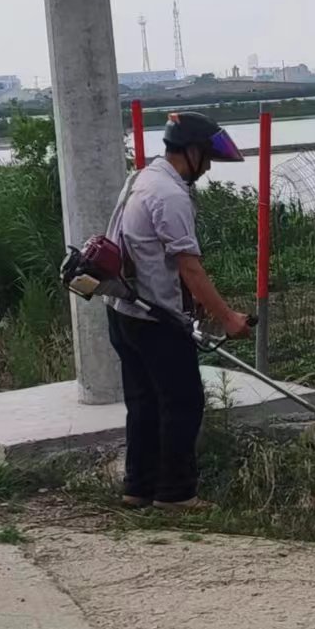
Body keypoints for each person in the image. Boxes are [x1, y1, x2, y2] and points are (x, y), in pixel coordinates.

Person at [107, 112, 250, 510]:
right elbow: (189, 266)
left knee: (144, 404)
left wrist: (194, 302)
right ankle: (176, 494)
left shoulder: (140, 178)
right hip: (155, 318)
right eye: (206, 158)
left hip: (123, 311)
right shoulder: (170, 195)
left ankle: (138, 488)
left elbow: (153, 255)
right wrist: (228, 318)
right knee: (183, 402)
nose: (207, 169)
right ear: (191, 152)